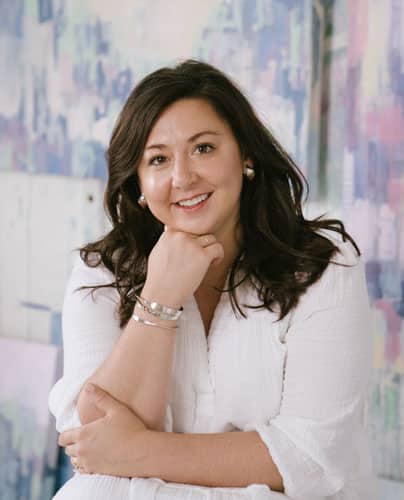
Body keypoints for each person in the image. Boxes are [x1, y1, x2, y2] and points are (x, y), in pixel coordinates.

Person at [48, 59, 376, 500]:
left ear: (245, 156)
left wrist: (137, 451)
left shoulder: (321, 267)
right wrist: (159, 298)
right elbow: (91, 438)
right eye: (159, 159)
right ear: (139, 183)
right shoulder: (102, 271)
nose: (183, 177)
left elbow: (311, 459)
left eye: (203, 148)